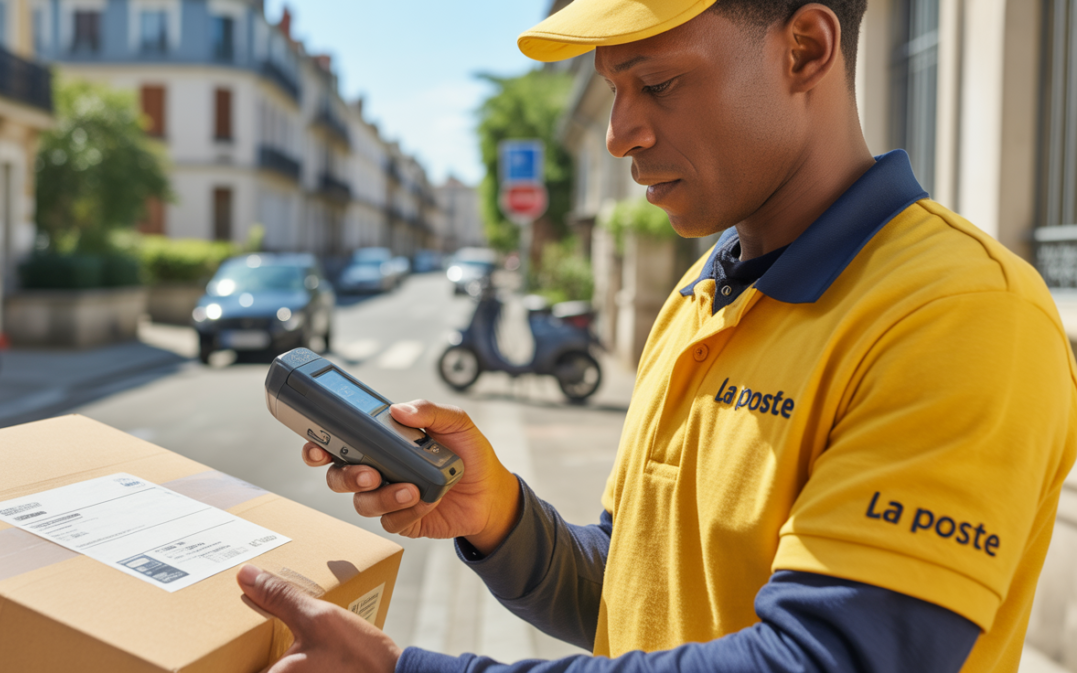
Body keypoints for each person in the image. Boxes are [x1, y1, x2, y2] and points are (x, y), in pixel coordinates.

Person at [237, 0, 1077, 671]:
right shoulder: (699, 294)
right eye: (612, 89)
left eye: (660, 84)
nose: (618, 134)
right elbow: (633, 592)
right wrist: (498, 517)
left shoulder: (962, 314)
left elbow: (827, 655)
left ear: (806, 50)